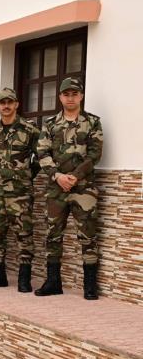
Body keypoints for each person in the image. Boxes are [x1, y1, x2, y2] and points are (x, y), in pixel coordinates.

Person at [35, 77, 103, 300]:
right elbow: (42, 153)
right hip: (56, 189)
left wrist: (75, 176)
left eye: (74, 94)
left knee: (88, 235)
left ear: (81, 96)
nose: (70, 98)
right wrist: (57, 176)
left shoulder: (92, 122)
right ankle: (53, 282)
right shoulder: (50, 124)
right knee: (53, 235)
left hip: (84, 189)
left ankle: (90, 286)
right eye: (66, 94)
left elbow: (95, 154)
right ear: (60, 97)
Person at [0, 88, 40, 291]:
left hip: (20, 193)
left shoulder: (29, 129)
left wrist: (26, 175)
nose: (6, 106)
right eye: (2, 103)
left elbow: (42, 155)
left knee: (24, 235)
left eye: (10, 102)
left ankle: (24, 278)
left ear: (16, 104)